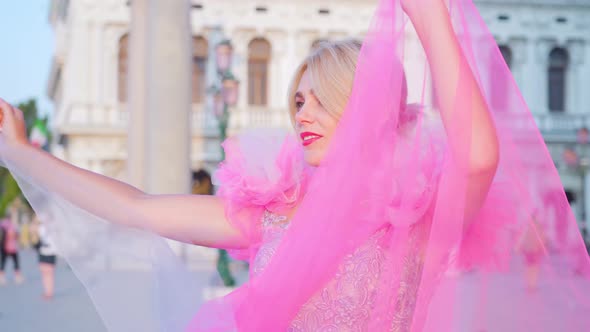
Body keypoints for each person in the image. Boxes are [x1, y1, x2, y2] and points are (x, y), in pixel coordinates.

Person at [0, 0, 589, 331]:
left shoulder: (415, 220)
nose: (302, 112)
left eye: (320, 98)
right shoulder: (274, 213)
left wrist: (429, 16)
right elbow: (136, 207)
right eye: (298, 100)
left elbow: (480, 154)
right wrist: (23, 153)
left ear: (364, 108)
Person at [0, 216, 24, 285]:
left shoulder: (3, 224)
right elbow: (16, 235)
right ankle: (17, 276)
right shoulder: (12, 225)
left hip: (5, 247)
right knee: (15, 262)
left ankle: (1, 277)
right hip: (11, 247)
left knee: (3, 262)